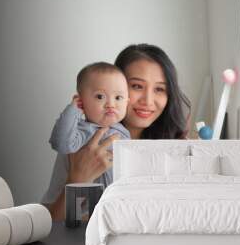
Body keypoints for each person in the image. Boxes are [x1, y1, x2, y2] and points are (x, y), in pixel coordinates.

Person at [42, 44, 191, 220]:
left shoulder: (174, 147)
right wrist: (78, 178)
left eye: (159, 89)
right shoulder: (84, 142)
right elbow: (55, 227)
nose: (148, 100)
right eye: (136, 86)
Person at [49, 62, 130, 185]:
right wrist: (73, 110)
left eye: (118, 98)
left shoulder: (123, 132)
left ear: (127, 102)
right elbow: (61, 144)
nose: (111, 104)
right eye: (99, 96)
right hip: (92, 198)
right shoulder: (83, 131)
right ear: (81, 101)